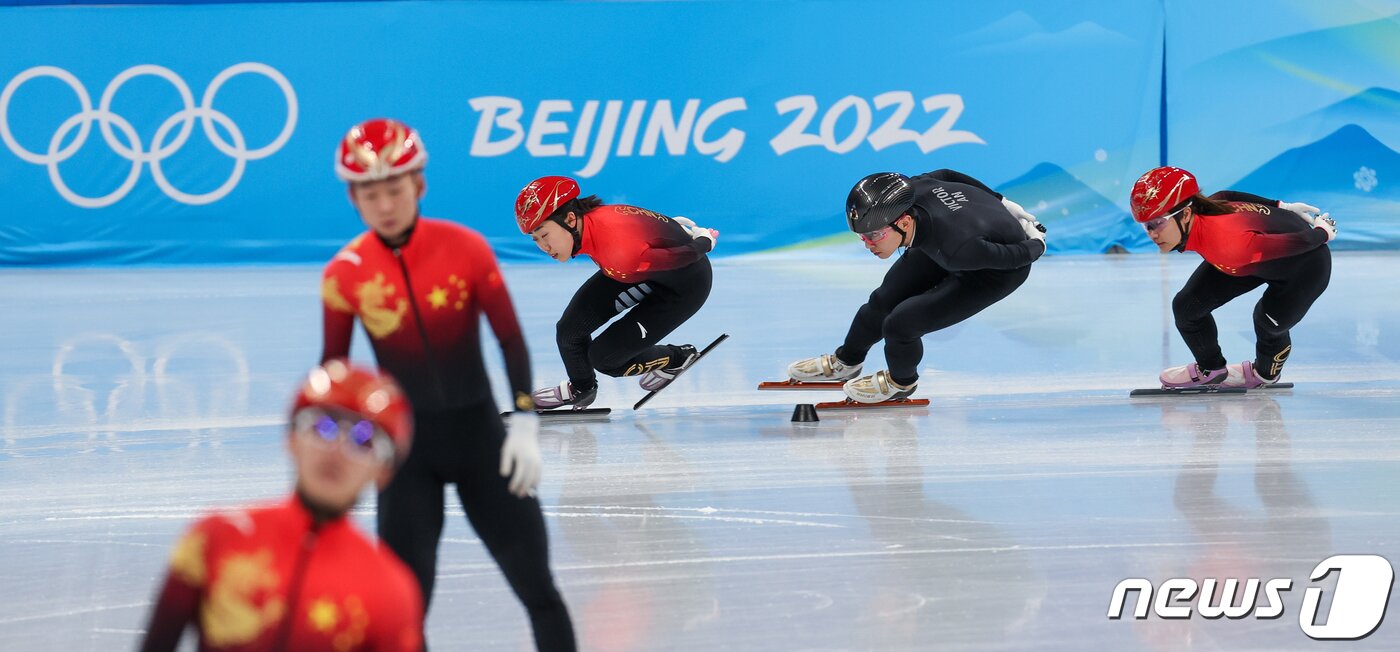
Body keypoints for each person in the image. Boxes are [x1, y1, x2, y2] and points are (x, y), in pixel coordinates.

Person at [322, 119, 575, 650]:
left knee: (540, 592)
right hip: (405, 457)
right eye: (370, 194)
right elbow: (334, 377)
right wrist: (336, 465)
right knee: (402, 616)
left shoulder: (466, 249)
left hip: (483, 445)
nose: (385, 205)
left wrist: (526, 420)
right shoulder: (345, 273)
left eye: (395, 188)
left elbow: (509, 340)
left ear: (419, 185)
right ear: (351, 198)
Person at [139, 361, 423, 652]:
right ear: (291, 440)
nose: (338, 449)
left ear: (383, 473)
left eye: (363, 440)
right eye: (324, 426)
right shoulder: (215, 538)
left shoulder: (391, 592)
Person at [785, 169, 1047, 403]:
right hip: (948, 238)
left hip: (996, 270)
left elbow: (1015, 257)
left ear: (904, 222)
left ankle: (901, 382)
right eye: (861, 236)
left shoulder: (958, 249)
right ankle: (847, 361)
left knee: (901, 324)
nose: (867, 243)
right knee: (882, 301)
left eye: (874, 234)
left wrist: (1037, 242)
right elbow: (946, 174)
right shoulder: (911, 192)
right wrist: (1001, 199)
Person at [513, 175, 716, 409]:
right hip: (639, 270)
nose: (544, 247)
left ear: (570, 218)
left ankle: (679, 356)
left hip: (683, 286)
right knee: (569, 332)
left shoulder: (619, 250)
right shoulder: (593, 226)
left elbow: (683, 255)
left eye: (545, 235)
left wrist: (703, 242)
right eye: (536, 239)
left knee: (606, 359)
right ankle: (581, 388)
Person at [1129, 166, 1335, 388]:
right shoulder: (1210, 209)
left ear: (1186, 214)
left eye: (1157, 223)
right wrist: (1281, 206)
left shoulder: (1230, 245)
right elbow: (1228, 196)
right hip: (1251, 256)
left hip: (1305, 266)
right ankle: (1212, 369)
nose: (1152, 234)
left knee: (1267, 321)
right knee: (1186, 308)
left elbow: (1294, 244)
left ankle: (1265, 374)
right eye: (1145, 227)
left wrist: (1321, 233)